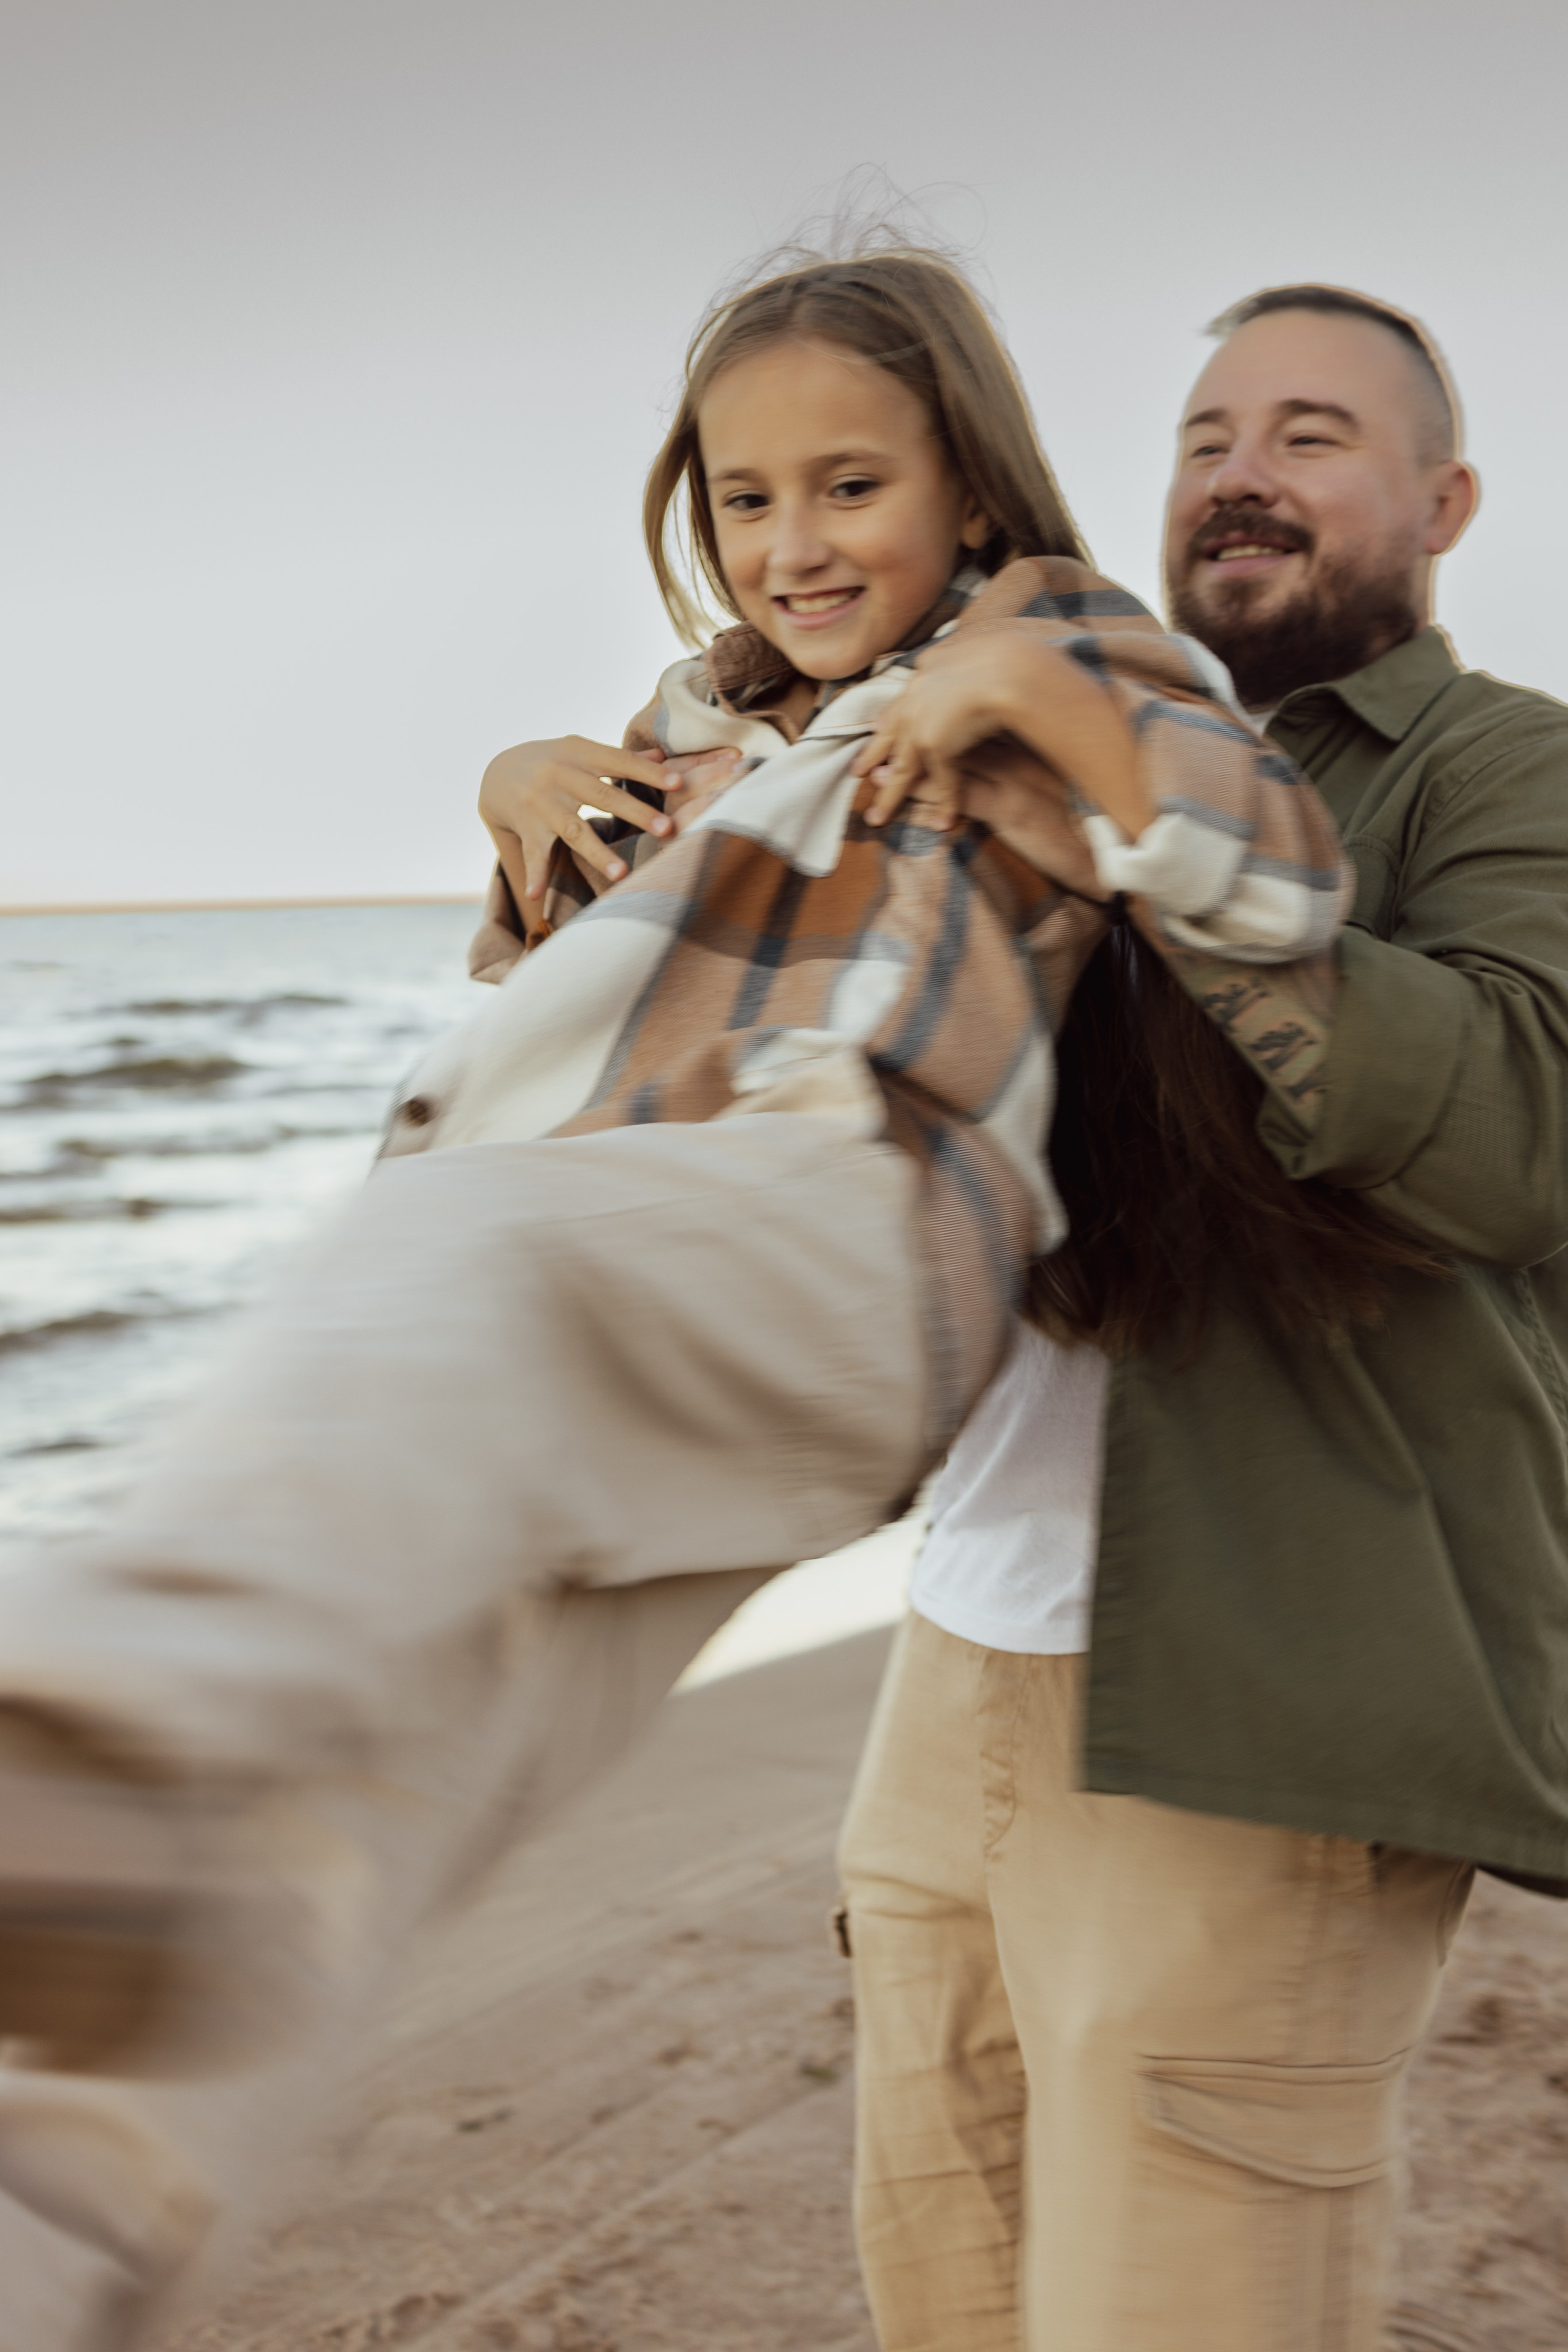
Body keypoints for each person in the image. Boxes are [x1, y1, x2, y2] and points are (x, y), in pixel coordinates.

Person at [0, 251, 1339, 2351]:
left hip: (850, 1215)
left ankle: (76, 1737)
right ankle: (75, 2196)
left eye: (847, 487)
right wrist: (517, 809)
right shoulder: (702, 716)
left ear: (966, 491)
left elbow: (1279, 874)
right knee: (432, 1762)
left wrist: (1057, 715)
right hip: (655, 1249)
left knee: (439, 1269)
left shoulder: (1057, 629)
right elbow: (577, 1000)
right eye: (743, 498)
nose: (794, 545)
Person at [497, 281, 1568, 2352]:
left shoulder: (1505, 771)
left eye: (1315, 434)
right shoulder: (990, 706)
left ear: (1444, 500)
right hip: (953, 1663)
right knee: (953, 2305)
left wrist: (1142, 816)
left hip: (1262, 1706)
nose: (1245, 470)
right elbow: (719, 1036)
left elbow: (1519, 1134)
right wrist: (534, 818)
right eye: (1207, 435)